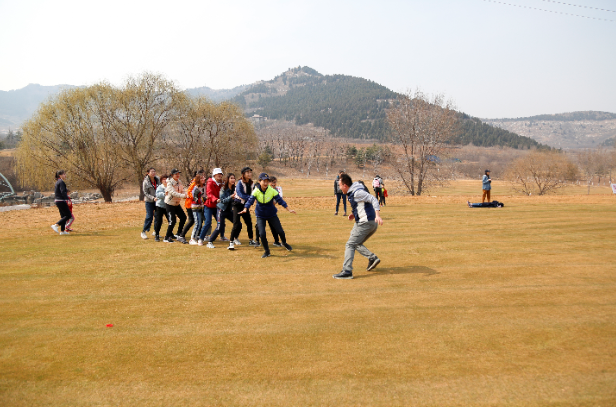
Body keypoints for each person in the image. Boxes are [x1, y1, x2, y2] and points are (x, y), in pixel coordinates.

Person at [333, 173, 383, 279]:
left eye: (340, 185)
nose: (339, 187)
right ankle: (372, 258)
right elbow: (361, 204)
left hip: (366, 222)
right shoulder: (353, 191)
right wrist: (354, 213)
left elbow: (373, 199)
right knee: (356, 243)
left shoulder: (357, 192)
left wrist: (378, 215)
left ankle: (347, 271)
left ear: (345, 185)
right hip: (366, 222)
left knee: (350, 244)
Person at [239, 172, 296, 258]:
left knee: (280, 231)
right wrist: (245, 209)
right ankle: (267, 251)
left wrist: (289, 209)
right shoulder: (256, 191)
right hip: (260, 215)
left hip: (272, 214)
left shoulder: (272, 190)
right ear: (259, 181)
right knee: (262, 234)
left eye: (267, 181)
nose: (265, 183)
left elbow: (280, 200)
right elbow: (250, 201)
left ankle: (284, 243)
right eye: (263, 181)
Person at [229, 166, 258, 246]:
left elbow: (255, 193)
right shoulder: (240, 183)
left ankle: (251, 240)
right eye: (247, 172)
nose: (249, 174)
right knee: (236, 224)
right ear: (243, 174)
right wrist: (251, 198)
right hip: (237, 205)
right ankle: (231, 242)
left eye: (250, 172)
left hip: (245, 206)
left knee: (249, 223)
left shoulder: (252, 184)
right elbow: (240, 194)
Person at [208, 173, 237, 248]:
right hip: (221, 210)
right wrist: (231, 197)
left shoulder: (234, 189)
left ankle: (235, 238)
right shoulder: (223, 189)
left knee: (238, 224)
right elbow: (222, 201)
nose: (233, 179)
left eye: (234, 178)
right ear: (228, 179)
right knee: (219, 227)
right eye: (231, 178)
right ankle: (210, 242)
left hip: (229, 210)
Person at [199, 168, 224, 246]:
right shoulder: (210, 182)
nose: (220, 175)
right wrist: (216, 199)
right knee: (208, 222)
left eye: (221, 174)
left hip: (217, 206)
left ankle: (222, 236)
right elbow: (209, 194)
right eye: (218, 174)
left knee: (221, 222)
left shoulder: (221, 183)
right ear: (214, 175)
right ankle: (201, 239)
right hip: (209, 205)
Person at [180, 170, 205, 242]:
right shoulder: (194, 183)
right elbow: (189, 192)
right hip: (190, 204)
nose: (204, 178)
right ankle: (182, 235)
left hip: (196, 204)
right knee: (192, 221)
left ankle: (197, 235)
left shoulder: (201, 184)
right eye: (202, 176)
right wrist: (195, 197)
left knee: (199, 220)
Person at [164, 169, 187, 243]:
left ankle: (179, 233)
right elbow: (173, 193)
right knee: (172, 221)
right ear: (172, 175)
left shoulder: (179, 182)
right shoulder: (169, 182)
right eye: (175, 174)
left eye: (178, 174)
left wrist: (185, 194)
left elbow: (182, 190)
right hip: (170, 204)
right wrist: (183, 196)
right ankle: (167, 237)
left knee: (183, 217)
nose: (177, 175)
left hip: (176, 203)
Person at [141, 168, 160, 240]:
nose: (153, 173)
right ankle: (144, 231)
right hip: (149, 201)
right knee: (149, 216)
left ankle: (156, 231)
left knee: (158, 216)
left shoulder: (157, 179)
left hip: (157, 201)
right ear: (148, 173)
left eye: (154, 171)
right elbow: (145, 193)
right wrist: (152, 198)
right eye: (152, 171)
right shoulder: (146, 181)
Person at [51, 170, 72, 235]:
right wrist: (67, 199)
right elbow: (63, 191)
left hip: (57, 201)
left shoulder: (58, 182)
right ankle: (56, 225)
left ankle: (62, 231)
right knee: (68, 215)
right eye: (64, 174)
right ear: (60, 175)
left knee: (63, 216)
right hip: (61, 201)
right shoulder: (61, 182)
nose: (65, 175)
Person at [188, 175, 206, 245]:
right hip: (195, 207)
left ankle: (199, 236)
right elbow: (195, 199)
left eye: (204, 177)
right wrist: (204, 199)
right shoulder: (195, 188)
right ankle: (192, 239)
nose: (203, 179)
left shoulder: (204, 187)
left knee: (201, 222)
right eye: (201, 178)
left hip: (201, 207)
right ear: (198, 180)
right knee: (197, 223)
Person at [153, 175, 170, 242]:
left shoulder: (170, 187)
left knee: (171, 220)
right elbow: (158, 195)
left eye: (166, 179)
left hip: (168, 206)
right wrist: (164, 194)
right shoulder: (160, 187)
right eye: (163, 179)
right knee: (159, 221)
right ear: (161, 180)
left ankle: (170, 234)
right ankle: (157, 235)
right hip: (160, 206)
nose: (165, 180)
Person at [268, 176, 283, 247]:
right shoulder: (265, 189)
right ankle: (257, 241)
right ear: (268, 182)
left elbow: (276, 201)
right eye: (272, 182)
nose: (274, 184)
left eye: (275, 182)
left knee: (274, 226)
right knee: (259, 227)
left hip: (271, 211)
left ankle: (276, 241)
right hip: (262, 211)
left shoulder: (276, 190)